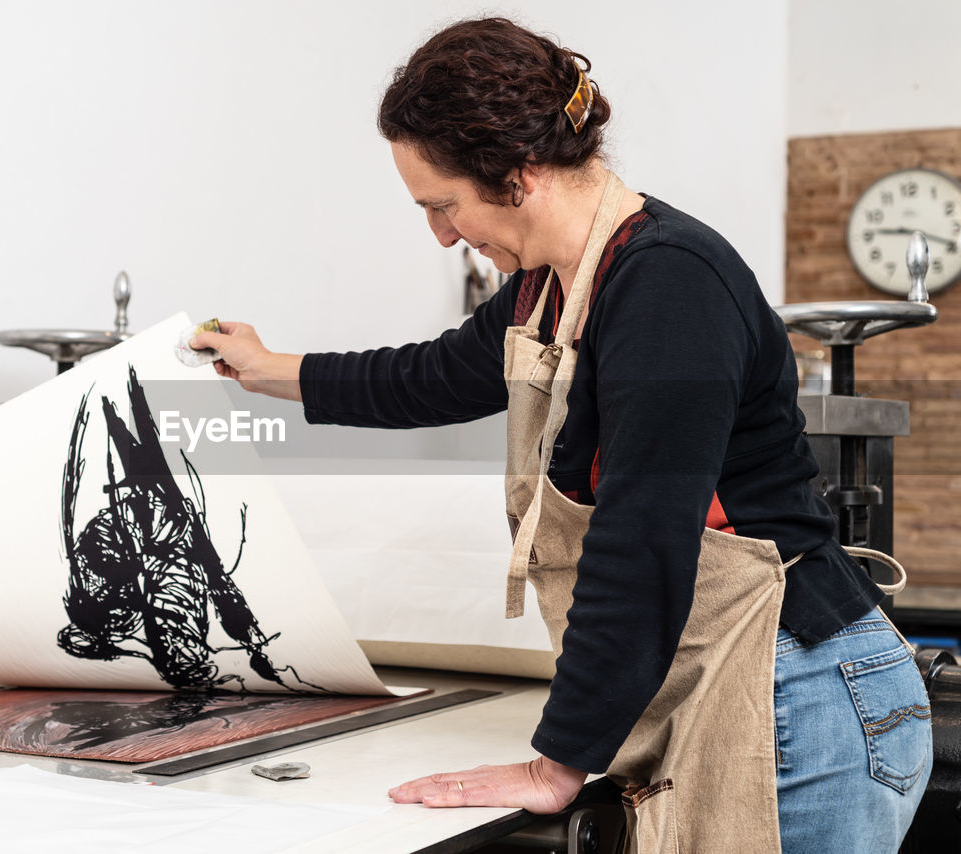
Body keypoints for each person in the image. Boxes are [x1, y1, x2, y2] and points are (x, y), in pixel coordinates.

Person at [191, 18, 932, 853]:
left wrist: (558, 762)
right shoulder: (546, 291)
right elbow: (427, 377)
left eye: (444, 205)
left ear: (518, 174)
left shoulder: (668, 285)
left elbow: (643, 539)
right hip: (720, 686)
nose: (439, 234)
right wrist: (264, 368)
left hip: (802, 698)